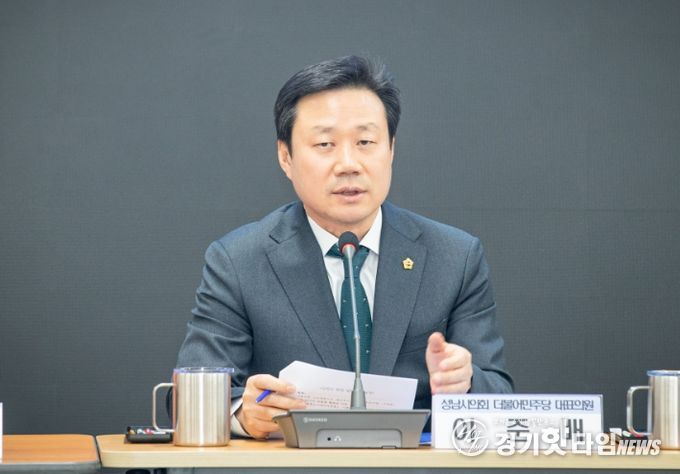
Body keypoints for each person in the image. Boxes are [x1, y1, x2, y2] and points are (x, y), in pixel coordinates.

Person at [177, 55, 513, 439]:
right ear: (286, 157)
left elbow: (501, 395)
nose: (348, 164)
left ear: (391, 149)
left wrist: (465, 381)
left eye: (365, 142)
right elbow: (189, 397)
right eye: (325, 144)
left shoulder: (454, 258)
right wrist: (241, 411)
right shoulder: (239, 261)